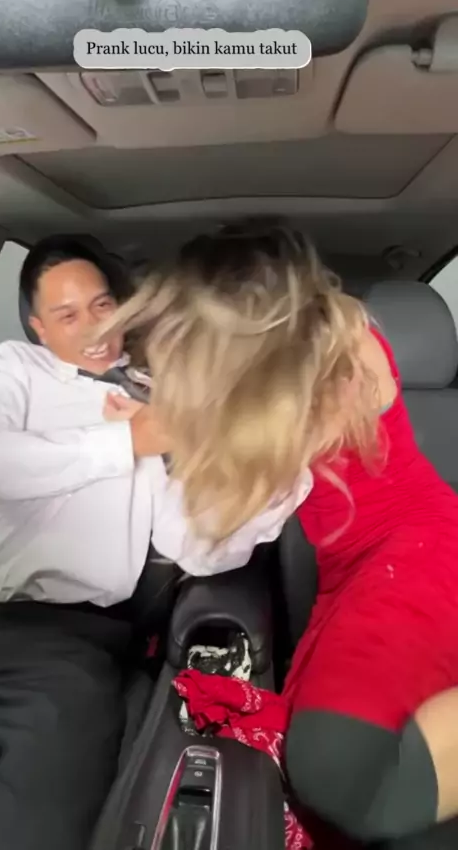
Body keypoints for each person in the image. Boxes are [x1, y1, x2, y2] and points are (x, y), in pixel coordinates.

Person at [95, 223, 458, 846]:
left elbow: (201, 549)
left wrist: (171, 440)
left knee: (341, 772)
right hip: (361, 565)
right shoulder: (332, 328)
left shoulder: (313, 387)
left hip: (417, 551)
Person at [0, 233, 309, 850]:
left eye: (104, 306)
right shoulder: (10, 369)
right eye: (67, 315)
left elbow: (196, 549)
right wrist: (124, 443)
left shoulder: (166, 397)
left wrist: (234, 452)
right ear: (38, 328)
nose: (94, 328)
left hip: (71, 639)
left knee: (33, 790)